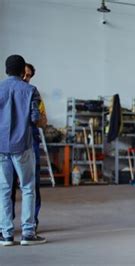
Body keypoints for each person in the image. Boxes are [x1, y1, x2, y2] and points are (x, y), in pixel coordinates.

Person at [0, 54, 46, 246]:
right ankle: (28, 233)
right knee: (28, 188)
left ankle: (6, 234)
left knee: (3, 189)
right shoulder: (30, 90)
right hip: (23, 146)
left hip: (1, 146)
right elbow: (36, 118)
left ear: (6, 70)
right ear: (22, 71)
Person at [10, 62, 47, 232]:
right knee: (7, 186)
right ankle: (6, 224)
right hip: (9, 142)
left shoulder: (34, 94)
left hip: (30, 140)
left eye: (29, 75)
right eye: (24, 74)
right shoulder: (9, 92)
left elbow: (42, 121)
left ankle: (31, 222)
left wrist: (36, 115)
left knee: (32, 185)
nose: (26, 78)